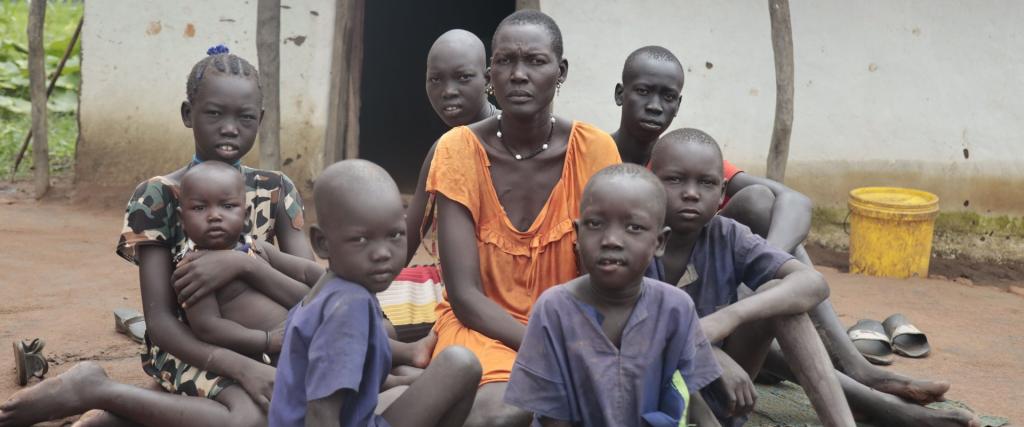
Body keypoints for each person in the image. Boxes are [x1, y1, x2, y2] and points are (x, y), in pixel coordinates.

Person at [613, 47, 973, 426]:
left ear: (720, 194)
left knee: (776, 278)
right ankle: (877, 400)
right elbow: (626, 315)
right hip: (653, 372)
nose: (655, 106)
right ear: (621, 94)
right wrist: (708, 347)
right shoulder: (627, 222)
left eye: (667, 96)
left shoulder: (695, 173)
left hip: (722, 329)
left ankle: (853, 372)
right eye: (643, 92)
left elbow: (797, 221)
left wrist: (746, 299)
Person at [0, 47, 313, 427]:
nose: (230, 127)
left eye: (245, 117)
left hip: (271, 344)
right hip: (186, 347)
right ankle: (98, 389)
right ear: (188, 114)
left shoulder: (277, 190)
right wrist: (245, 368)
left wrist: (242, 265)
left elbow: (311, 294)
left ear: (260, 119)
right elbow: (162, 321)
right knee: (249, 419)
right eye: (214, 113)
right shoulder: (156, 196)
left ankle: (120, 411)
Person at [426, 10, 621, 427]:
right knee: (504, 414)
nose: (517, 74)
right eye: (505, 61)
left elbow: (606, 274)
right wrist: (554, 347)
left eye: (534, 60)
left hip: (572, 330)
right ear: (490, 72)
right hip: (481, 328)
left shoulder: (594, 150)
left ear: (560, 71)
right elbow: (465, 296)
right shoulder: (458, 149)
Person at [646, 129, 855, 426]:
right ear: (650, 184)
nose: (691, 193)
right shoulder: (634, 239)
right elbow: (628, 323)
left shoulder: (727, 235)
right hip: (651, 399)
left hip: (726, 398)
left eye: (706, 183)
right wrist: (709, 352)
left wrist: (729, 317)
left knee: (781, 299)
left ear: (722, 193)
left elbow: (813, 283)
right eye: (675, 180)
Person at [504, 164, 723, 427]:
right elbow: (553, 418)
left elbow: (691, 397)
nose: (611, 240)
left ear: (660, 242)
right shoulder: (554, 309)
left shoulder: (676, 309)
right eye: (595, 224)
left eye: (633, 228)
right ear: (577, 233)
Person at [269, 159, 481, 427]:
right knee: (461, 364)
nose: (382, 253)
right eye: (360, 239)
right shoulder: (349, 307)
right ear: (322, 244)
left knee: (431, 376)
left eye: (394, 235)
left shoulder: (333, 288)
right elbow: (321, 413)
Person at [177, 162, 322, 362]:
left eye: (227, 206)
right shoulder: (194, 269)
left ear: (246, 216)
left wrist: (339, 285)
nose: (214, 216)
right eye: (200, 208)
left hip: (307, 333)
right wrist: (266, 340)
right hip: (272, 353)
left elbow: (305, 270)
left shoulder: (256, 247)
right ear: (182, 219)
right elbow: (208, 327)